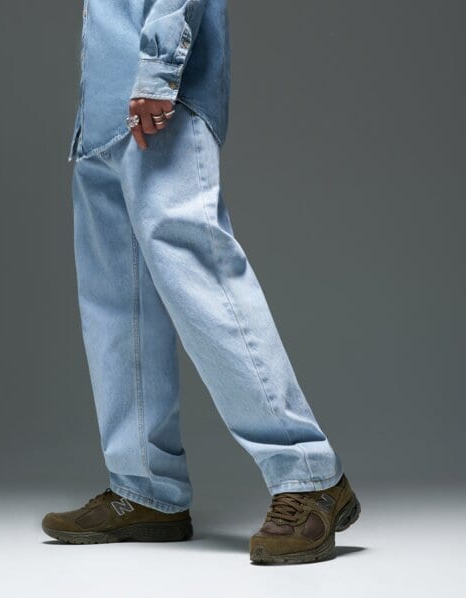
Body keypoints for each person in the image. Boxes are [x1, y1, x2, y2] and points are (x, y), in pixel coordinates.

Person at [42, 0, 360, 564]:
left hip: (159, 92)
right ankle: (146, 489)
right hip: (104, 108)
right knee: (119, 303)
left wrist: (158, 70)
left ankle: (309, 475)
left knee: (202, 282)